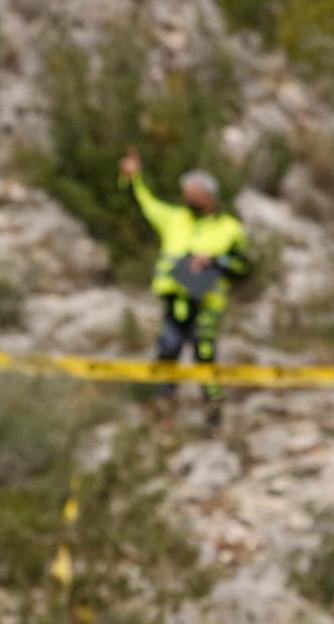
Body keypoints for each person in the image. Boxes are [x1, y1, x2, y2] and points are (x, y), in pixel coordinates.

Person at [118, 146, 251, 431]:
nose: (186, 197)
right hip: (175, 300)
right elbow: (142, 202)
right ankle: (163, 410)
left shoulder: (229, 228)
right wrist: (133, 177)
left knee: (205, 354)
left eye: (192, 192)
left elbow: (245, 265)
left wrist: (215, 260)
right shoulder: (175, 218)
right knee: (168, 350)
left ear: (208, 196)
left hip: (207, 304)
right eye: (185, 192)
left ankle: (213, 411)